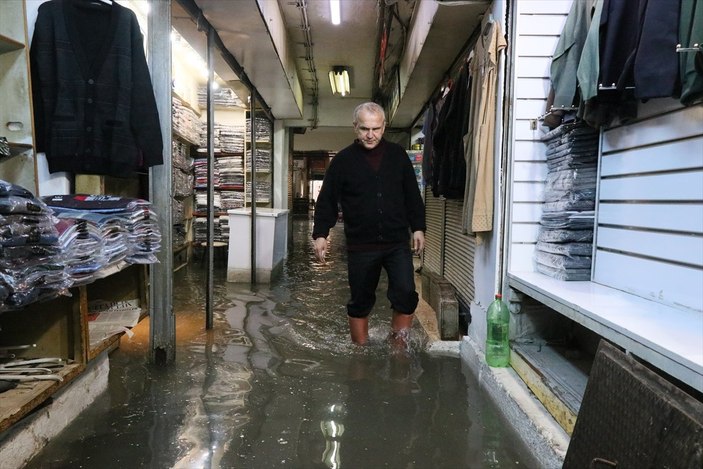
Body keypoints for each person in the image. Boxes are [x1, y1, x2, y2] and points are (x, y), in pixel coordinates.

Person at [312, 102, 426, 346]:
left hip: (396, 243)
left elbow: (412, 195)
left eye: (376, 128)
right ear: (355, 127)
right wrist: (321, 234)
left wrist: (418, 227)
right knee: (360, 299)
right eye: (364, 128)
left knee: (406, 293)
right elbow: (327, 199)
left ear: (384, 127)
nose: (370, 134)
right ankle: (360, 351)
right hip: (361, 245)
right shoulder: (343, 161)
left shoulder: (398, 156)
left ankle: (398, 346)